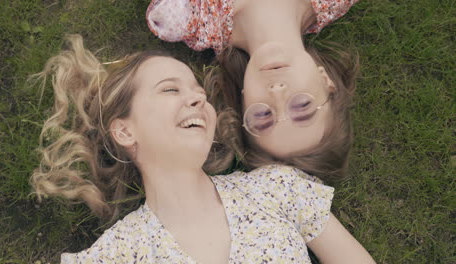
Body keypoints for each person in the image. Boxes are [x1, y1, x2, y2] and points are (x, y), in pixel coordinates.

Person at [31, 35, 374, 263]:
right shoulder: (117, 255)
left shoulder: (275, 188)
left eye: (199, 93)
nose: (197, 98)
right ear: (124, 130)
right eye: (169, 90)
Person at [146, 0, 360, 181]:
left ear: (244, 99)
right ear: (325, 81)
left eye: (263, 114)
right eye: (302, 105)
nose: (277, 92)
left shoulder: (186, 18)